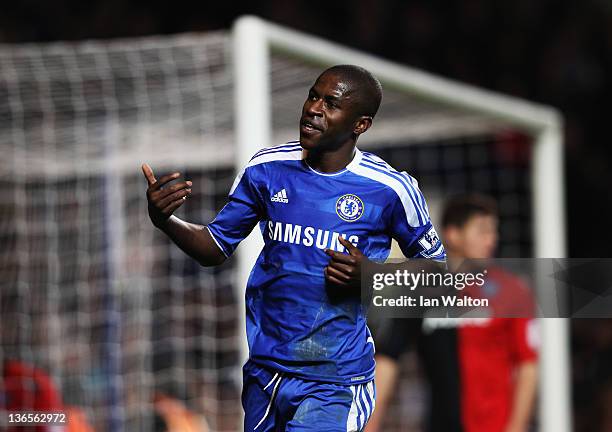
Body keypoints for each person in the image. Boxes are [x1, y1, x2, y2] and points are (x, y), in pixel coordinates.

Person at [142, 65, 445, 431]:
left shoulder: (389, 189)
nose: (313, 108)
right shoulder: (266, 169)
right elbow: (214, 247)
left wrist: (371, 277)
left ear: (360, 124)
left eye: (330, 103)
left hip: (335, 382)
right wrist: (165, 221)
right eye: (313, 95)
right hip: (266, 373)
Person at [365, 194, 538, 432]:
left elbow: (527, 366)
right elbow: (387, 362)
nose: (492, 240)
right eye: (482, 231)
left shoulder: (511, 291)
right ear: (452, 234)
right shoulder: (421, 293)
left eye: (493, 231)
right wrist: (369, 425)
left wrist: (516, 428)